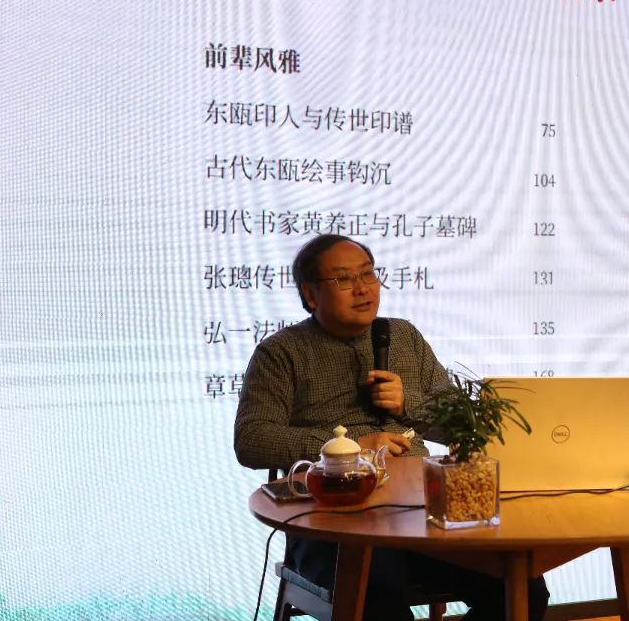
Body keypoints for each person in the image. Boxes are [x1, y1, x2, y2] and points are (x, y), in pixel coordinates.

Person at [234, 234, 549, 621]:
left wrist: (407, 403)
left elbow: (463, 429)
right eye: (344, 279)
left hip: (421, 516)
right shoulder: (281, 352)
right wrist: (352, 448)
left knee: (523, 588)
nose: (362, 288)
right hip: (333, 524)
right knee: (378, 596)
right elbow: (251, 440)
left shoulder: (403, 337)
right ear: (311, 294)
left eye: (368, 274)